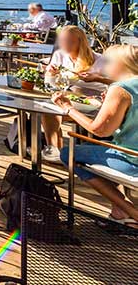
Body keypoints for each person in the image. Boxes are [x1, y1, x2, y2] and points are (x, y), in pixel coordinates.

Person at [53, 44, 138, 227]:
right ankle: (119, 211)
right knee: (101, 149)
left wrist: (67, 108)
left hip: (132, 160)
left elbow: (99, 130)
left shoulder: (121, 89)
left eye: (108, 62)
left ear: (121, 64)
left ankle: (131, 211)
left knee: (69, 153)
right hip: (129, 152)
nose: (104, 67)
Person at [41, 26, 111, 162]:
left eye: (69, 41)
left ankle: (67, 153)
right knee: (48, 110)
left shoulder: (100, 60)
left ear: (81, 42)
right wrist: (50, 73)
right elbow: (51, 84)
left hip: (96, 100)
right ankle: (55, 150)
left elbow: (117, 83)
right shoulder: (59, 55)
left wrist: (97, 78)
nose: (64, 45)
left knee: (55, 109)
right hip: (70, 95)